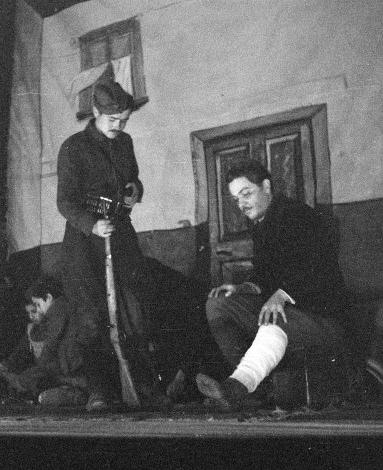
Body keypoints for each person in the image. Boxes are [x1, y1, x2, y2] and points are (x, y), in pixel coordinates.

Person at [196, 159, 350, 410]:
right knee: (218, 305)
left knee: (274, 317)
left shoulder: (299, 216)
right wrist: (242, 288)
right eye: (236, 199)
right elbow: (264, 276)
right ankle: (257, 389)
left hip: (323, 320)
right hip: (291, 315)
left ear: (266, 187)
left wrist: (281, 295)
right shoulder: (262, 225)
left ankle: (239, 386)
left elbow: (316, 270)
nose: (241, 204)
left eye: (246, 193)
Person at [56, 80, 161, 410]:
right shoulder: (73, 147)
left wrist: (134, 190)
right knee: (90, 315)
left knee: (134, 308)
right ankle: (100, 392)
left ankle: (144, 387)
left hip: (120, 232)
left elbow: (132, 179)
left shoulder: (125, 142)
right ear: (96, 111)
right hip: (84, 241)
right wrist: (92, 225)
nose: (119, 126)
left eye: (124, 120)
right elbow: (65, 201)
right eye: (113, 119)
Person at [0, 275, 87, 407]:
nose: (39, 310)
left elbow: (51, 346)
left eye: (38, 305)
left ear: (49, 298)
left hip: (71, 370)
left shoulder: (58, 310)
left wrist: (33, 373)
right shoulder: (60, 309)